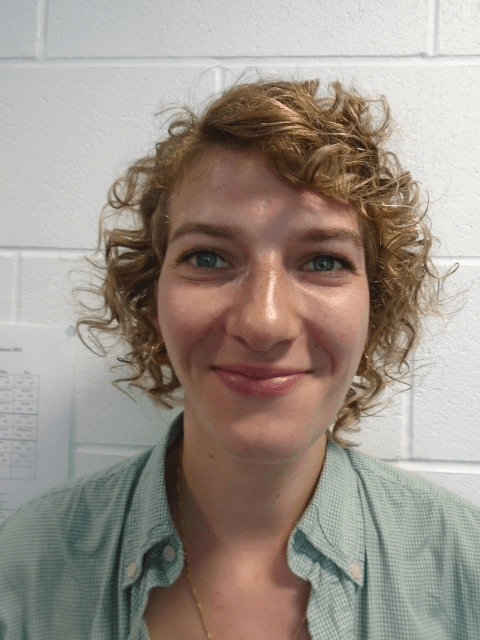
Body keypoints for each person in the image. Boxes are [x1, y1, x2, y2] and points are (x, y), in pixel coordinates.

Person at [0, 77, 479, 640]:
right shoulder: (25, 564)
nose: (263, 322)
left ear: (376, 307)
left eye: (323, 262)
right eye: (207, 257)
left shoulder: (464, 566)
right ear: (152, 300)